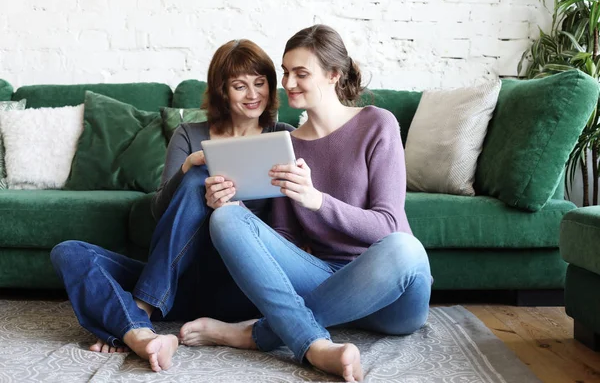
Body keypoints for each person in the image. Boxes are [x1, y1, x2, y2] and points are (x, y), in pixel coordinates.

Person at [176, 24, 433, 382]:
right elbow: (283, 237)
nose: (288, 82)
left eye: (301, 73)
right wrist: (231, 201)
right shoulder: (286, 142)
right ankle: (310, 340)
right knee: (227, 219)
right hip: (322, 281)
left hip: (390, 295)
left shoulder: (378, 124)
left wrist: (317, 201)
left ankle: (257, 334)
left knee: (405, 248)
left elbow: (388, 225)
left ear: (333, 75)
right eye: (285, 72)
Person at [50, 39, 294, 372]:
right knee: (69, 252)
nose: (253, 94)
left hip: (234, 285)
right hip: (174, 279)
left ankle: (135, 316)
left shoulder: (282, 136)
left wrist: (231, 210)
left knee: (200, 178)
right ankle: (141, 335)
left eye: (260, 82)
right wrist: (186, 167)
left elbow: (289, 227)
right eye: (240, 85)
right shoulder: (189, 134)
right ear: (222, 90)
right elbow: (159, 210)